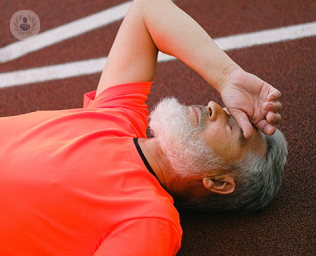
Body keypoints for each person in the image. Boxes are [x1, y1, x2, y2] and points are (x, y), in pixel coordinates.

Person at [0, 0, 287, 255]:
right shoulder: (117, 116)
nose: (214, 106)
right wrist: (227, 76)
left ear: (219, 182)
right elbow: (148, 9)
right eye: (227, 109)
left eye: (232, 127)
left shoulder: (150, 220)